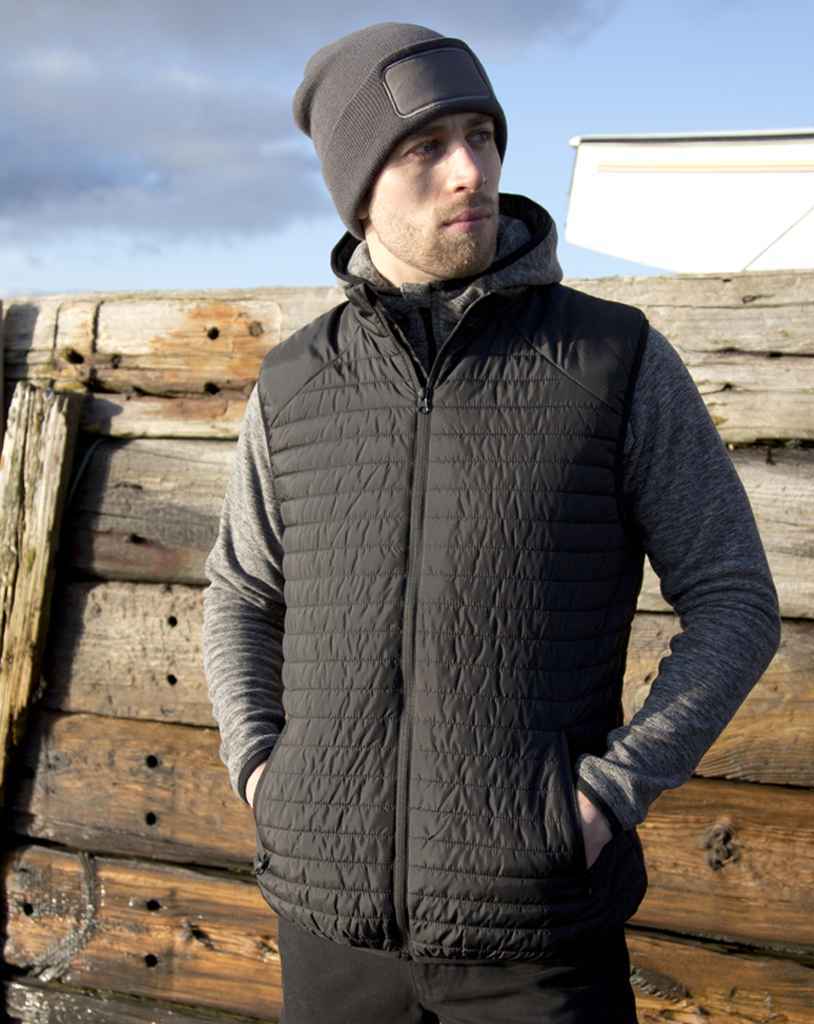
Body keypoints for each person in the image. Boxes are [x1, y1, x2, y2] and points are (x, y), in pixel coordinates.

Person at [202, 21, 781, 1024]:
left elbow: (734, 601)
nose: (469, 169)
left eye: (481, 134)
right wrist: (261, 771)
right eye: (425, 147)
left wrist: (601, 800)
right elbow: (242, 593)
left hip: (538, 937)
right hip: (330, 936)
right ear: (358, 185)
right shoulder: (295, 382)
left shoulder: (613, 359)